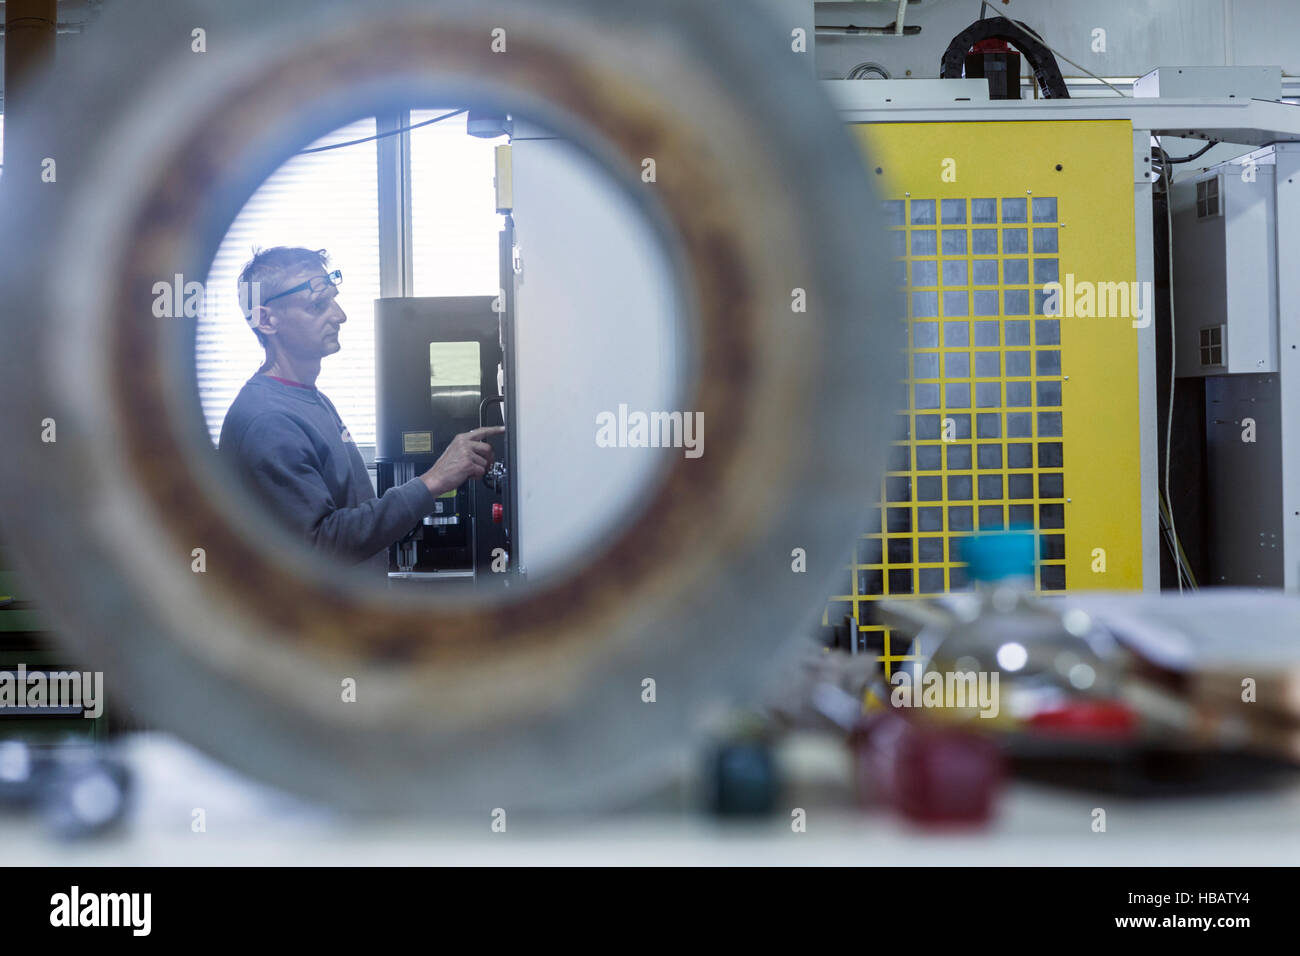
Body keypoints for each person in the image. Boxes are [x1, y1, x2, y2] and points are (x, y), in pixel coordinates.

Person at [218, 246, 503, 574]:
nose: (340, 315)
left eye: (334, 300)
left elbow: (347, 512)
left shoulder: (309, 399)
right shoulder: (267, 420)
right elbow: (322, 545)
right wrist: (434, 480)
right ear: (267, 320)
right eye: (318, 305)